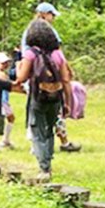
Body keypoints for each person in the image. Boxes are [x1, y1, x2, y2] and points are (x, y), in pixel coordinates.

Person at [14, 20, 73, 181]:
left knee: (37, 131)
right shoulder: (58, 54)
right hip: (55, 97)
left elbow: (21, 77)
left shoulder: (31, 53)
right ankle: (48, 164)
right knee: (49, 131)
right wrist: (68, 102)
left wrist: (19, 65)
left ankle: (44, 168)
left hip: (38, 97)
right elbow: (66, 79)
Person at [0, 52, 17, 150]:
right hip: (2, 101)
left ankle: (5, 140)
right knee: (7, 119)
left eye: (7, 62)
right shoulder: (1, 75)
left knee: (9, 118)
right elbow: (12, 86)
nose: (6, 65)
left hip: (3, 100)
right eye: (3, 63)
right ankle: (3, 141)